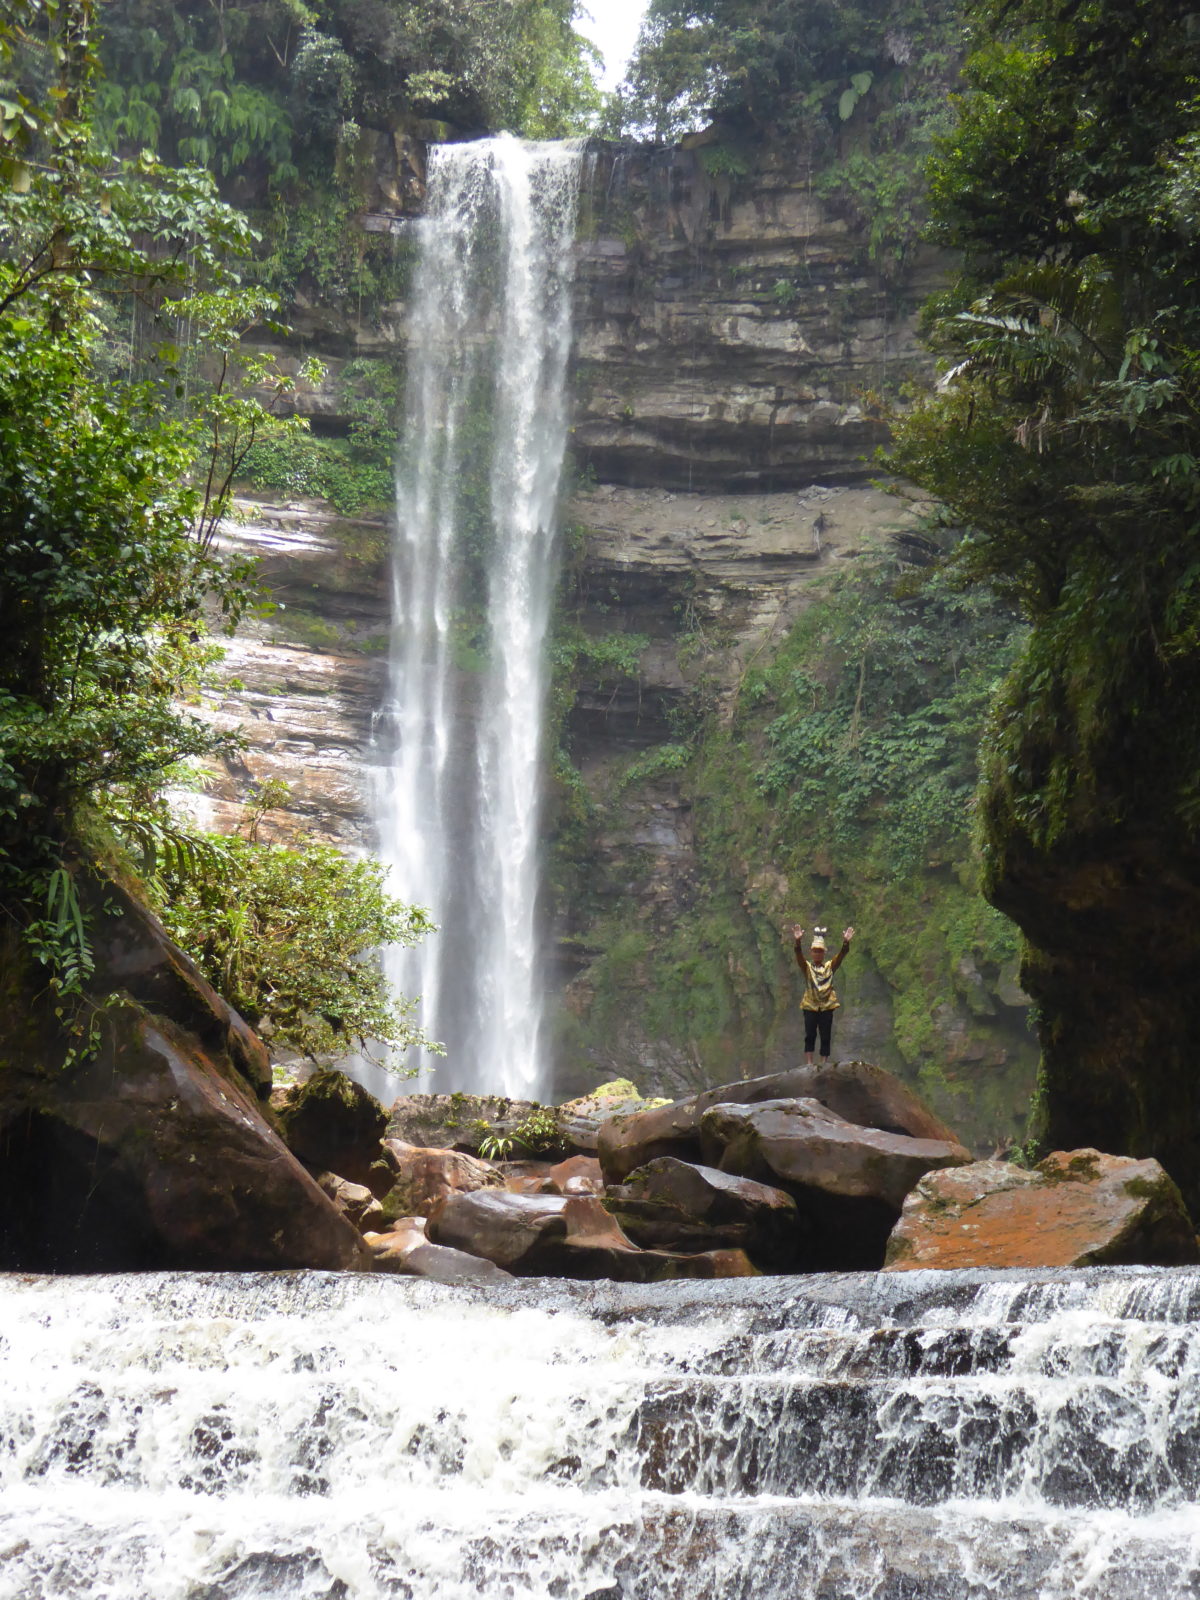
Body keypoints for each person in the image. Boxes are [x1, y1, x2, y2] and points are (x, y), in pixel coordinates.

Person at [791, 923, 855, 1065]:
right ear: (811, 953)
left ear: (824, 953)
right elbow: (799, 957)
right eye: (815, 951)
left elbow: (840, 957)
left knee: (825, 1035)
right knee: (810, 1035)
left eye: (820, 951)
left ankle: (823, 1063)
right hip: (810, 1005)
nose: (817, 954)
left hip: (826, 1006)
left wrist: (845, 943)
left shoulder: (829, 967)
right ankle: (809, 1063)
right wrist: (797, 942)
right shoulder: (807, 968)